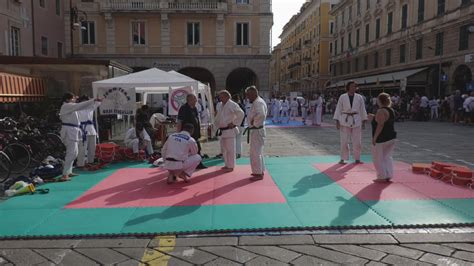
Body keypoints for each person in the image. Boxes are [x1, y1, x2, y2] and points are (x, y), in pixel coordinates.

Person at [59, 92, 100, 181]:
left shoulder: (70, 106)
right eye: (73, 98)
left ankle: (69, 171)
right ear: (67, 99)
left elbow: (82, 106)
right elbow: (80, 105)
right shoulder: (66, 106)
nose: (74, 100)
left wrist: (95, 101)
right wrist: (93, 100)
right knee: (71, 152)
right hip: (69, 132)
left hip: (74, 131)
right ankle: (64, 174)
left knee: (75, 153)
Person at [333, 81, 368, 164]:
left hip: (356, 120)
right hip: (345, 120)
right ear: (348, 87)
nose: (353, 88)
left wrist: (363, 121)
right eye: (352, 86)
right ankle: (343, 158)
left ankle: (357, 158)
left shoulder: (359, 97)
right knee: (344, 140)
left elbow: (362, 109)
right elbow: (338, 108)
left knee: (357, 141)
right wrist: (337, 121)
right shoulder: (342, 97)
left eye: (355, 86)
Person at [370, 93, 397, 183]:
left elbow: (380, 125)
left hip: (382, 138)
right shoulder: (391, 110)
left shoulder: (381, 111)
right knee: (387, 157)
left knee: (377, 158)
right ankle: (388, 174)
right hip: (391, 137)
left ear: (379, 101)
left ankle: (381, 176)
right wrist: (374, 117)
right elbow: (385, 120)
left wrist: (375, 138)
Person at [214, 90, 245, 172]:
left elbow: (241, 113)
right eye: (220, 97)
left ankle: (231, 166)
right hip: (222, 130)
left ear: (227, 97)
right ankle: (227, 164)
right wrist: (215, 126)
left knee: (230, 149)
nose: (220, 98)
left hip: (229, 130)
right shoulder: (220, 105)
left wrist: (234, 123)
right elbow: (218, 117)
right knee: (224, 149)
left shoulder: (232, 104)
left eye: (222, 97)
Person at [177, 93, 207, 169]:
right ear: (189, 100)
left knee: (197, 147)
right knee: (188, 149)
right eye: (194, 99)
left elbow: (197, 119)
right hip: (187, 132)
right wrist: (178, 132)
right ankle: (185, 164)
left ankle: (198, 163)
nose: (196, 100)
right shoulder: (184, 108)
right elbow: (180, 121)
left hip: (195, 131)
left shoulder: (194, 108)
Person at [244, 86, 268, 180]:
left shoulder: (258, 102)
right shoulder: (257, 101)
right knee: (258, 152)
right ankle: (259, 170)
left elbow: (261, 114)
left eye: (248, 95)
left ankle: (258, 173)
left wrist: (255, 123)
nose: (247, 97)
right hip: (257, 130)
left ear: (254, 94)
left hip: (257, 130)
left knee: (255, 152)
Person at [76, 95, 101, 168]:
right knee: (82, 148)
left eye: (86, 101)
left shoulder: (90, 107)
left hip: (91, 129)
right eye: (83, 101)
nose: (85, 102)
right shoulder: (77, 108)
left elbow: (98, 102)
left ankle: (91, 161)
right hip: (82, 129)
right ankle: (80, 164)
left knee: (92, 147)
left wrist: (97, 99)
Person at [232, 94, 246, 158]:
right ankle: (239, 153)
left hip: (236, 125)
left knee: (234, 140)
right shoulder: (243, 106)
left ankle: (236, 153)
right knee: (239, 140)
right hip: (242, 124)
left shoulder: (235, 106)